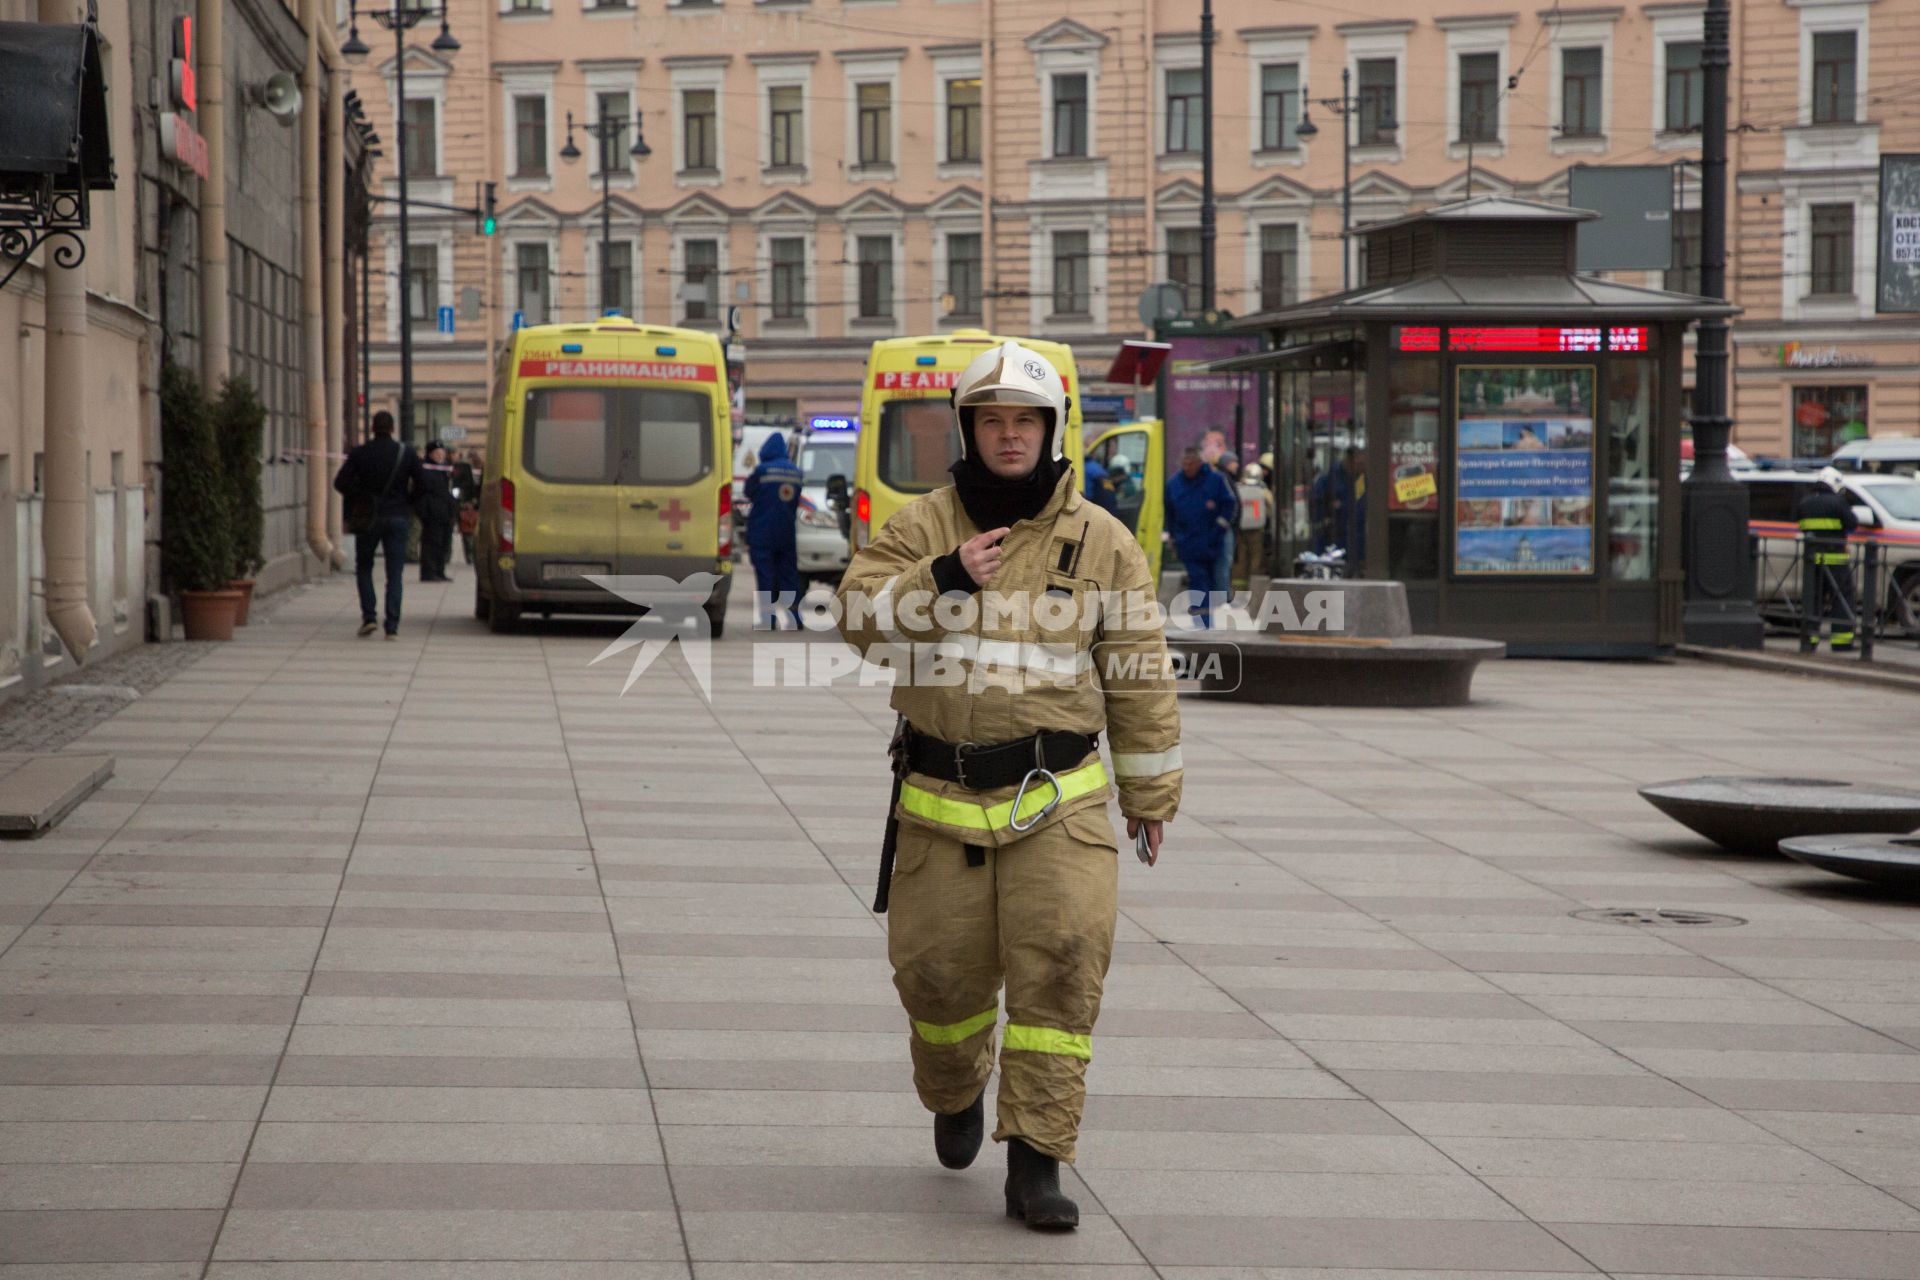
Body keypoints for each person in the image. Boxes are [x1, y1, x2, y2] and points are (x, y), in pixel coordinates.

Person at [837, 341, 1182, 1232]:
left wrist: (1150, 794)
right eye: (992, 419)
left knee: (1063, 972)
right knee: (938, 984)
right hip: (939, 802)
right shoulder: (920, 527)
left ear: (1052, 428)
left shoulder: (1102, 541)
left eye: (1024, 419)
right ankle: (956, 1091)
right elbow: (858, 624)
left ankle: (1037, 1160)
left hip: (1059, 802)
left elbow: (1140, 672)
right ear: (968, 429)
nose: (1009, 435)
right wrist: (944, 579)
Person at [333, 410, 421, 638]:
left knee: (364, 567)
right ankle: (392, 625)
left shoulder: (360, 453)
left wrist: (360, 497)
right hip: (397, 517)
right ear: (393, 429)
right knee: (395, 574)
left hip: (368, 517)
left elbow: (340, 482)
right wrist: (408, 501)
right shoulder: (406, 453)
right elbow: (424, 483)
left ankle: (369, 617)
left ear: (372, 428)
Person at [1164, 447, 1236, 627]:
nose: (1187, 468)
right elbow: (1170, 513)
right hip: (1188, 542)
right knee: (1197, 579)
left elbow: (1229, 504)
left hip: (1213, 541)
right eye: (1184, 464)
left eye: (1191, 464)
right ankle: (1202, 621)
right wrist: (1173, 537)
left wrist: (1220, 527)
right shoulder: (1174, 484)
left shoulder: (1215, 480)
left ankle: (1207, 616)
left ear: (1199, 463)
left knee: (1213, 579)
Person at [743, 429, 804, 627]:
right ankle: (794, 618)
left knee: (766, 576)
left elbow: (748, 492)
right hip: (786, 532)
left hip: (762, 532)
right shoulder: (796, 472)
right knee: (789, 575)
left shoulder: (762, 471)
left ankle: (768, 619)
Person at [1796, 477, 1859, 651]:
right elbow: (1852, 524)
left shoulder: (1805, 502)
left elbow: (1800, 524)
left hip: (1812, 560)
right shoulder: (1838, 502)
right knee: (1841, 598)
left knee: (1813, 599)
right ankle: (1841, 642)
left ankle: (1810, 640)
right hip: (1835, 558)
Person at [414, 440, 458, 583]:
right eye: (437, 453)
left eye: (442, 453)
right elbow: (422, 489)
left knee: (443, 543)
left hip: (445, 511)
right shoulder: (425, 468)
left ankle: (440, 571)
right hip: (432, 512)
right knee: (431, 543)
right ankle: (429, 572)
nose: (440, 456)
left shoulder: (445, 469)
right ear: (430, 454)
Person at [1233, 462, 1273, 587]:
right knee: (1256, 558)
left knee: (1241, 558)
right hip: (1257, 530)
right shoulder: (1264, 491)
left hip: (1239, 529)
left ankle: (1239, 587)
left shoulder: (1236, 488)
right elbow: (1271, 508)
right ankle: (1255, 586)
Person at [452, 449, 480, 565]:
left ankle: (471, 556)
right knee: (468, 529)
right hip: (467, 502)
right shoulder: (463, 467)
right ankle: (471, 556)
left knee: (468, 530)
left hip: (470, 502)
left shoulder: (466, 467)